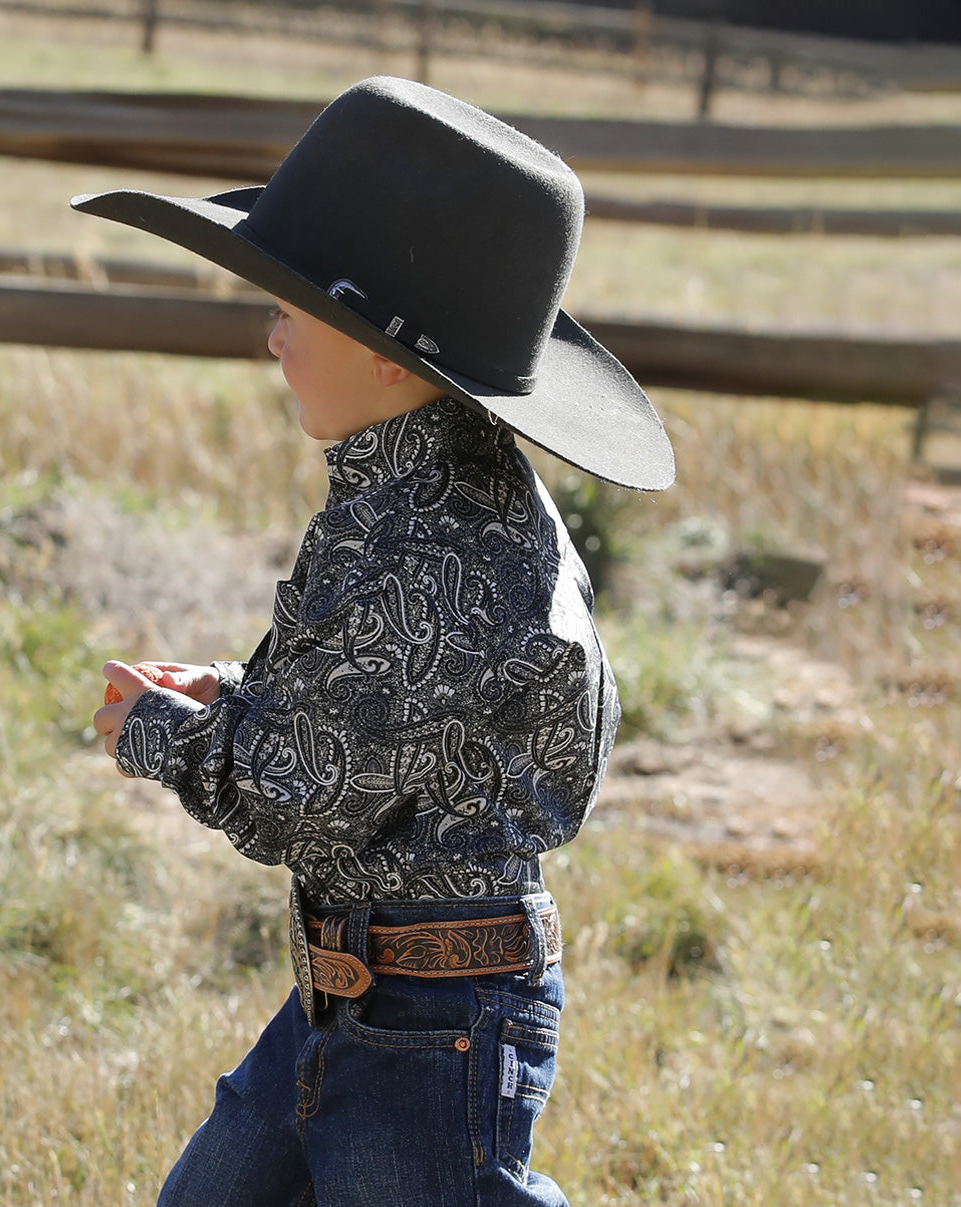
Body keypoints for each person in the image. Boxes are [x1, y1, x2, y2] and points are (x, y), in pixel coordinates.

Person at [81, 75, 673, 1207]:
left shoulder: (441, 552)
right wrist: (226, 694)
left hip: (431, 1026)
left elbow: (296, 795)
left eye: (292, 314)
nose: (270, 338)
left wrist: (164, 733)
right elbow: (352, 708)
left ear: (389, 354)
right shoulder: (410, 494)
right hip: (363, 996)